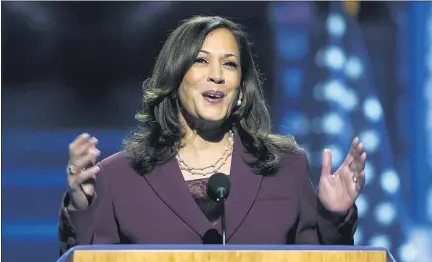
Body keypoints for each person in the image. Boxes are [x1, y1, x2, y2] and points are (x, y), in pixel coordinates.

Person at [58, 15, 366, 255]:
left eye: (229, 64)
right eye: (201, 60)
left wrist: (332, 215)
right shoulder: (119, 178)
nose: (216, 75)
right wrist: (82, 209)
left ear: (241, 91)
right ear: (175, 77)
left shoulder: (285, 168)